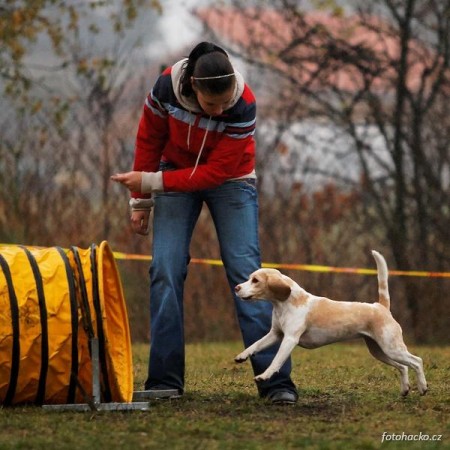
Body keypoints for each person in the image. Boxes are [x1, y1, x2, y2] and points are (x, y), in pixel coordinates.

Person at [111, 41, 298, 404]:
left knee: (247, 272)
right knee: (165, 268)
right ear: (193, 86)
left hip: (231, 181)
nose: (220, 110)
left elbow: (213, 174)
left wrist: (151, 183)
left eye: (225, 102)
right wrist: (140, 203)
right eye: (212, 104)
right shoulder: (165, 87)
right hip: (172, 172)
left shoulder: (243, 105)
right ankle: (164, 381)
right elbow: (149, 139)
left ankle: (275, 382)